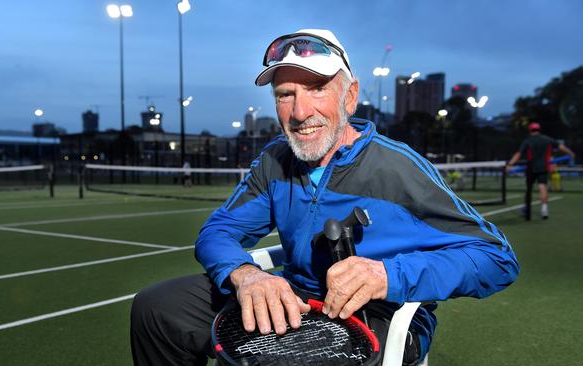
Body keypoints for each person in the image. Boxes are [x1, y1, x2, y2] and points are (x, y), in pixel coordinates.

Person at [130, 29, 519, 365]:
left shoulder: (397, 168)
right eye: (286, 94)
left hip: (379, 312)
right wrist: (247, 275)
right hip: (299, 300)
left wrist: (387, 275)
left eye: (317, 89)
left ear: (349, 97)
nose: (300, 111)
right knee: (157, 308)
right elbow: (217, 232)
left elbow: (496, 259)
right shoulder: (274, 162)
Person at [506, 122, 575, 220]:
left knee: (528, 189)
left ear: (530, 130)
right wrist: (570, 153)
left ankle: (527, 211)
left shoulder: (528, 140)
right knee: (542, 186)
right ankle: (544, 209)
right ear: (539, 129)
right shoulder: (547, 139)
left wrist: (510, 164)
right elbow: (561, 147)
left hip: (531, 168)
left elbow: (519, 153)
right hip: (543, 167)